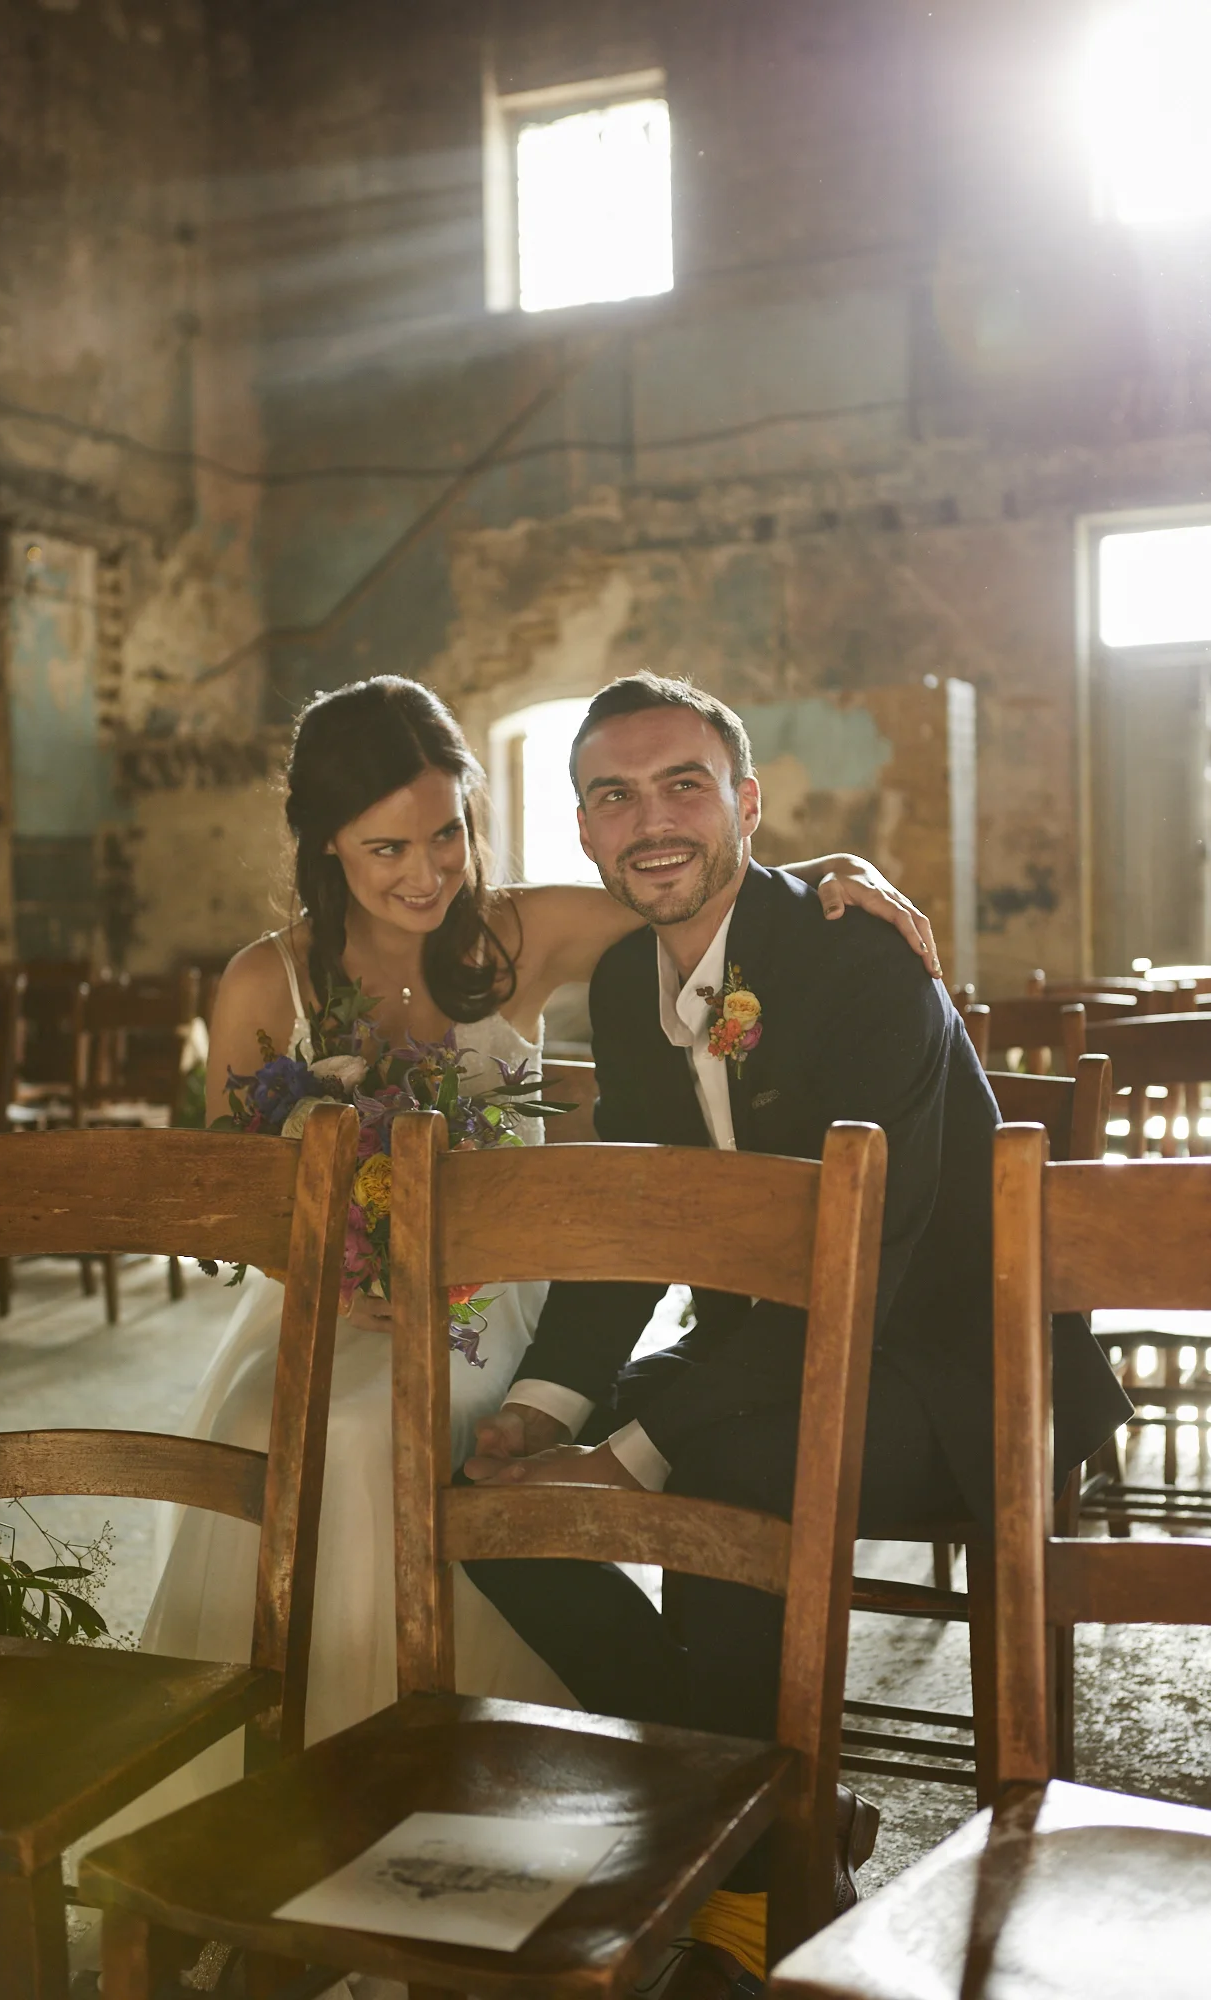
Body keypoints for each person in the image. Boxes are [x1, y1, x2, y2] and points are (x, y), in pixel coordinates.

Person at [463, 673, 1133, 2000]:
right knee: (494, 1509)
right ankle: (778, 1838)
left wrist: (644, 1442)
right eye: (613, 795)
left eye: (683, 785)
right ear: (585, 833)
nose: (649, 820)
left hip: (952, 1379)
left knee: (712, 1483)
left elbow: (870, 1265)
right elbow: (648, 1224)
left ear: (747, 804)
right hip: (759, 1372)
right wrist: (548, 1405)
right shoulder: (622, 985)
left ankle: (736, 1891)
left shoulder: (858, 958)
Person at [139, 675, 944, 1777]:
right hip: (341, 1309)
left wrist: (827, 876)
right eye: (386, 851)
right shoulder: (261, 981)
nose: (426, 874)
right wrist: (325, 1269)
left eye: (446, 836)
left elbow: (701, 893)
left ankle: (725, 1810)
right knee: (353, 1437)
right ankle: (347, 1787)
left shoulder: (526, 931)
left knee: (489, 1443)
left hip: (522, 1295)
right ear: (326, 845)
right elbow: (227, 1201)